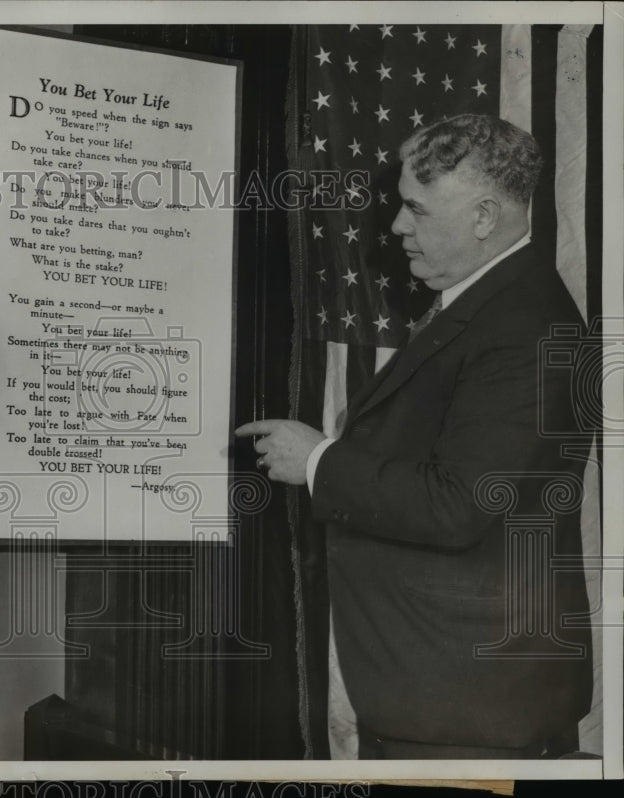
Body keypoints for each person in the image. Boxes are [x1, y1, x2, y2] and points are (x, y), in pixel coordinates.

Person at [236, 115, 593, 758]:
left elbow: (461, 503)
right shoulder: (491, 301)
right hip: (444, 693)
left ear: (484, 216)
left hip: (473, 711)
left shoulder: (528, 327)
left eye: (416, 209)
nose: (398, 226)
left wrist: (317, 460)